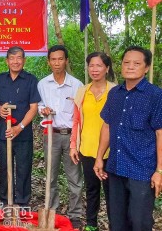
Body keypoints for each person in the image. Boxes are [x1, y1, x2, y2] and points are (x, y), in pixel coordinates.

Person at [94, 46, 162, 231]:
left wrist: (159, 171)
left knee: (139, 222)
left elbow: (160, 133)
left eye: (137, 63)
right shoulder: (115, 93)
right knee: (117, 221)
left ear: (146, 67)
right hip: (116, 167)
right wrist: (100, 157)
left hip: (142, 170)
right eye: (126, 62)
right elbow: (107, 125)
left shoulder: (155, 95)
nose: (130, 66)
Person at [37, 45, 83, 229]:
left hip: (71, 136)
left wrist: (77, 140)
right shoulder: (42, 84)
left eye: (60, 59)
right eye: (53, 59)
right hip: (51, 135)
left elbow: (80, 112)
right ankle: (51, 211)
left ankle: (75, 215)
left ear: (66, 61)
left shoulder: (76, 85)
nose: (57, 63)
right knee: (51, 176)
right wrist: (43, 110)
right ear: (49, 62)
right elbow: (39, 105)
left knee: (74, 178)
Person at [69, 52, 115, 231]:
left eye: (99, 66)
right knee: (92, 189)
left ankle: (115, 224)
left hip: (111, 151)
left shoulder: (116, 91)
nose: (95, 70)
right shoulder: (82, 92)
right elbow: (76, 120)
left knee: (112, 191)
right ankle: (90, 224)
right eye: (91, 66)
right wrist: (74, 145)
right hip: (87, 148)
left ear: (107, 68)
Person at [0, 46, 40, 207]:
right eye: (12, 58)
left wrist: (20, 127)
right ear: (7, 61)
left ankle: (23, 201)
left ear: (24, 60)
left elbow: (33, 108)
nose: (15, 61)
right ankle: (6, 200)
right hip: (4, 132)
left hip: (22, 133)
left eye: (19, 58)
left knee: (24, 168)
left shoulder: (31, 80)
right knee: (5, 167)